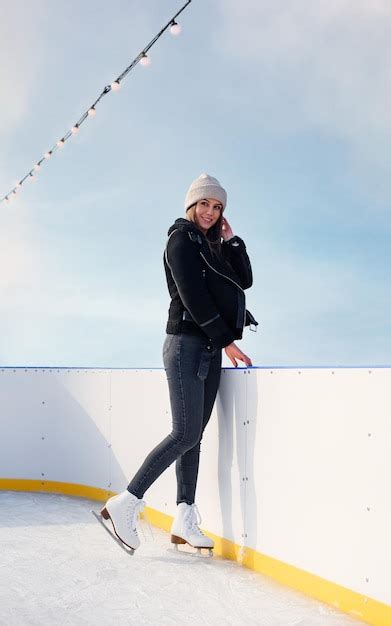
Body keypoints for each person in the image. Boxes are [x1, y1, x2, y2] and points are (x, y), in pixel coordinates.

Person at [100, 173, 257, 553]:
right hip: (187, 344)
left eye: (217, 206)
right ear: (191, 205)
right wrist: (228, 342)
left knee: (194, 439)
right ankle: (127, 502)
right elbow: (193, 296)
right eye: (204, 204)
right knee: (185, 433)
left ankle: (184, 518)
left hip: (208, 349)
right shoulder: (180, 240)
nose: (210, 211)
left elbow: (245, 281)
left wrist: (232, 241)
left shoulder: (213, 246)